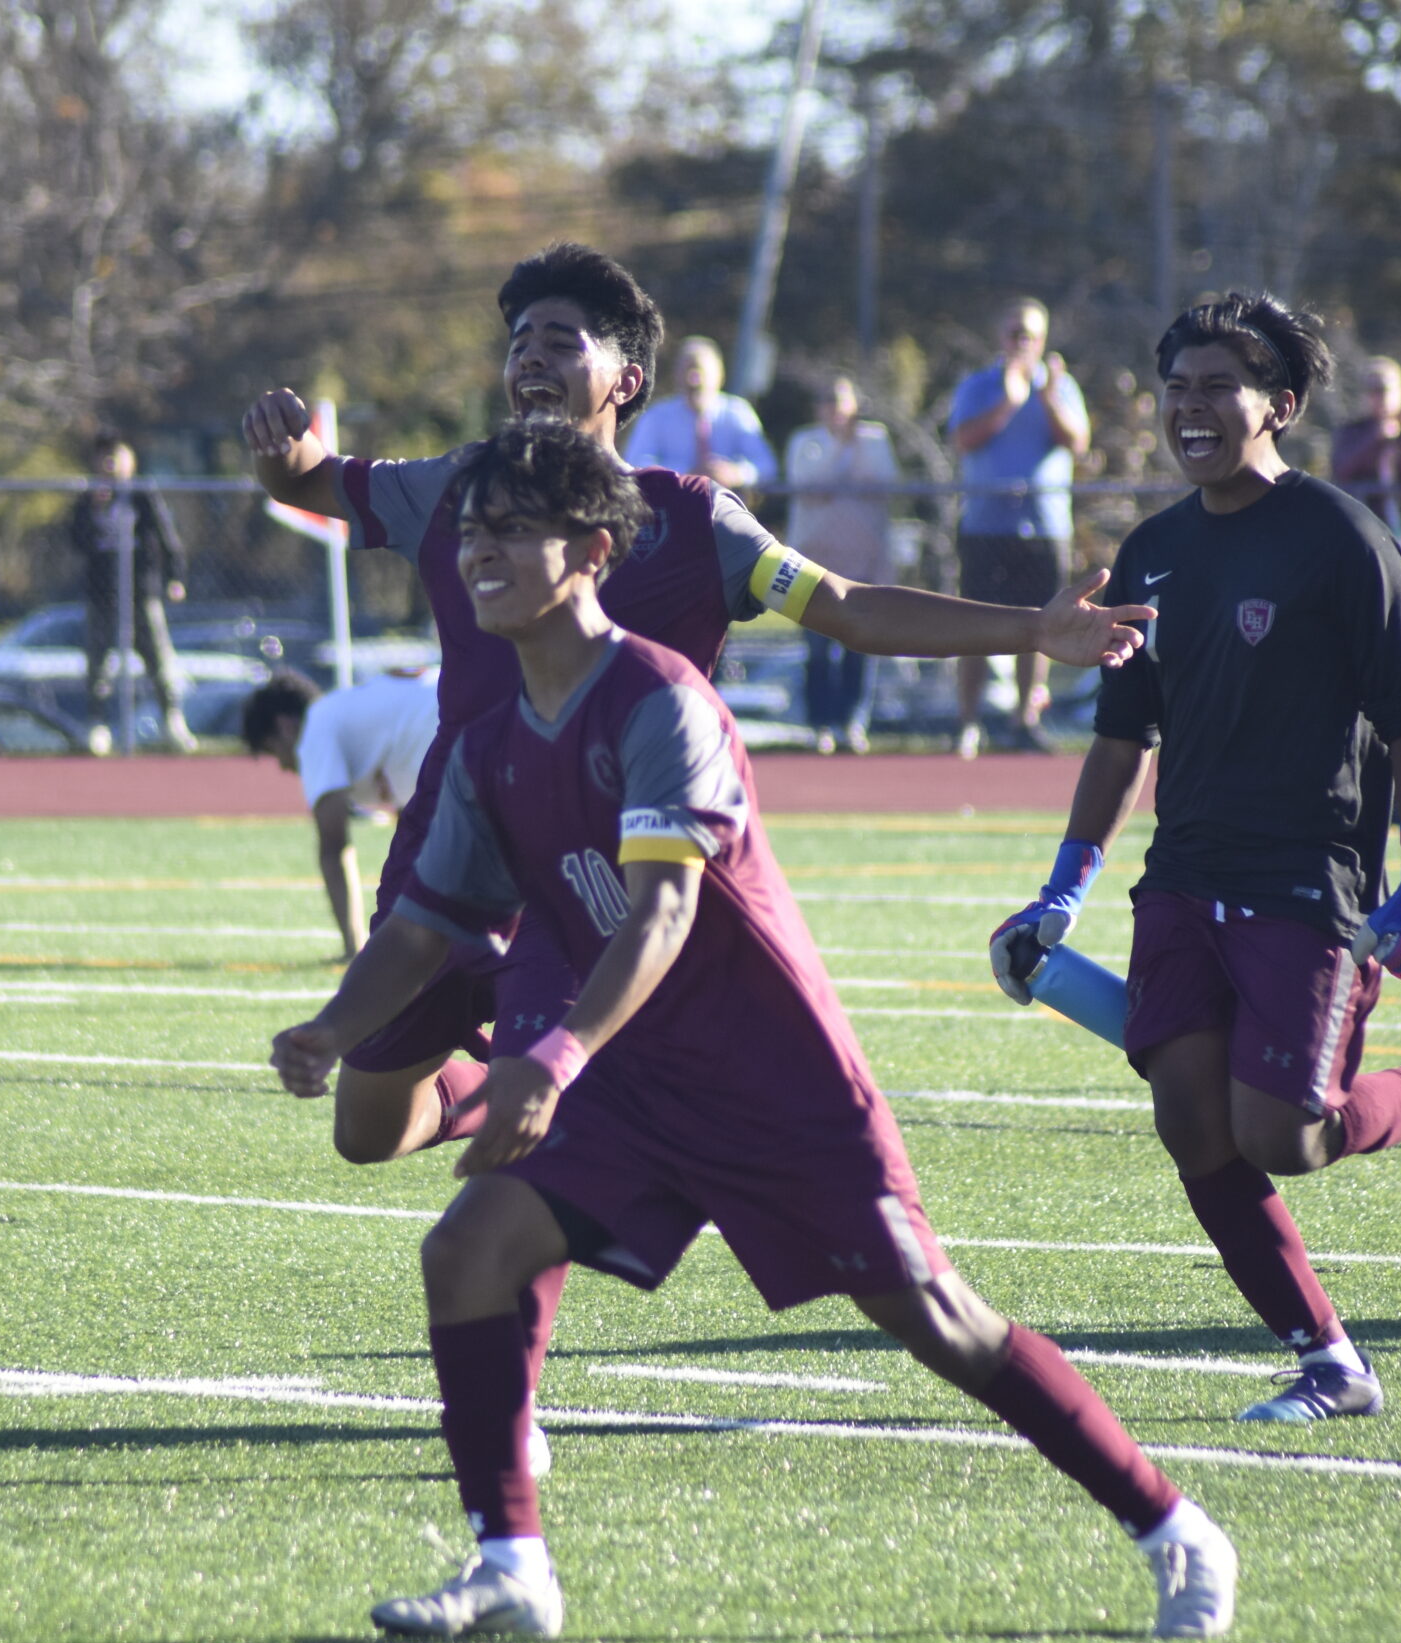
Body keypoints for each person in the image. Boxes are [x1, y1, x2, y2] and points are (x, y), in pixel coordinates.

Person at [272, 421, 1236, 1643]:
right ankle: (512, 1565)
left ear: (596, 551)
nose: (479, 550)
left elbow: (664, 912)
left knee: (938, 1321)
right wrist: (331, 1025)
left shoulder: (661, 701)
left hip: (770, 1080)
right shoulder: (486, 741)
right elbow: (422, 925)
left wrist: (550, 1057)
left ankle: (1170, 1525)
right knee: (466, 1252)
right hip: (631, 1087)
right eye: (471, 528)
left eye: (515, 526)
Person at [243, 242, 1156, 1479]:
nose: (529, 358)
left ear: (628, 377)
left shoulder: (689, 520)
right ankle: (493, 1100)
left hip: (602, 906)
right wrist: (289, 460)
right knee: (365, 1130)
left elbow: (842, 604)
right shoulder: (453, 488)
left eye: (561, 339)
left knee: (520, 1202)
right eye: (517, 339)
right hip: (455, 865)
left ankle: (507, 1481)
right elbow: (325, 488)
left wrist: (1028, 636)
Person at [992, 292, 1401, 1427]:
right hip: (1184, 877)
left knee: (1283, 1136)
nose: (1188, 410)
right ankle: (1328, 1359)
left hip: (1311, 884)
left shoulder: (1342, 537)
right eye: (1175, 389)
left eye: (1216, 389)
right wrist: (1062, 890)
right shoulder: (1151, 550)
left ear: (1279, 405)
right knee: (1189, 1121)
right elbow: (1119, 738)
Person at [947, 297, 1090, 756]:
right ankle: (967, 723)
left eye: (1029, 335)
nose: (1021, 343)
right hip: (985, 527)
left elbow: (1078, 443)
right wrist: (1007, 403)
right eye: (1014, 334)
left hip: (1044, 527)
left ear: (1042, 340)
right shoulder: (978, 386)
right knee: (972, 626)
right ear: (1000, 337)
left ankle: (1024, 720)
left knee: (1040, 627)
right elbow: (963, 440)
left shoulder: (1061, 387)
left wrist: (1047, 400)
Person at [241, 665, 442, 958]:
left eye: (273, 751)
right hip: (470, 704)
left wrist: (353, 945)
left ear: (285, 726)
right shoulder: (347, 715)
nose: (283, 766)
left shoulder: (315, 728)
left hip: (453, 724)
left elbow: (334, 847)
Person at [785, 373, 899, 753]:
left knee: (861, 645)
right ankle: (821, 724)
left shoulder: (874, 440)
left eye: (841, 400)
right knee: (817, 648)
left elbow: (881, 481)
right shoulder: (805, 442)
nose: (834, 409)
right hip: (815, 562)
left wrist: (844, 471)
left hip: (864, 560)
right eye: (827, 401)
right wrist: (839, 457)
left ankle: (854, 721)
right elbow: (808, 482)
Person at [66, 433, 192, 755]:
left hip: (141, 591)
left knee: (158, 660)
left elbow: (165, 536)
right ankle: (97, 726)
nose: (108, 465)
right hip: (102, 593)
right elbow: (76, 542)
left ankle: (172, 722)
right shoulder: (88, 498)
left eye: (115, 457)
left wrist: (174, 577)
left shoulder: (142, 495)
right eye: (103, 458)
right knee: (98, 664)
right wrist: (93, 510)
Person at [617, 336, 778, 489]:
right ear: (676, 375)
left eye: (700, 371)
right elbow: (636, 463)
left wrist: (736, 473)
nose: (693, 380)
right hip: (673, 507)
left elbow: (766, 466)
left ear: (719, 374)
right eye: (687, 371)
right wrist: (688, 473)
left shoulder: (737, 412)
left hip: (726, 507)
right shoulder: (657, 416)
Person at [1329, 356, 1401, 542]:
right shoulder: (1352, 431)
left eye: (1384, 390)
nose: (1379, 398)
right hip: (1361, 525)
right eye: (1372, 391)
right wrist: (1374, 438)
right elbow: (1341, 472)